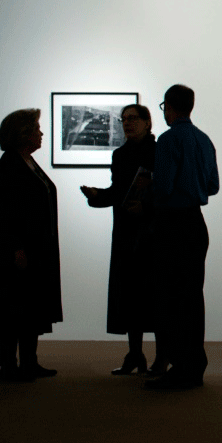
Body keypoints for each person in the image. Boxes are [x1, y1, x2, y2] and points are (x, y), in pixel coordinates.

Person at [80, 104, 165, 376]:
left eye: (133, 119)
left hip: (153, 231)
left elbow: (166, 190)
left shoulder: (159, 151)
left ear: (147, 122)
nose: (127, 123)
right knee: (129, 293)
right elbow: (119, 192)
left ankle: (162, 357)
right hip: (127, 230)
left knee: (155, 294)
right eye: (124, 119)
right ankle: (135, 354)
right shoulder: (120, 155)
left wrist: (148, 207)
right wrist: (97, 196)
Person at [144, 85, 219, 391]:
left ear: (168, 108)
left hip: (171, 223)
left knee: (171, 297)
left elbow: (162, 186)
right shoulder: (203, 140)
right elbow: (213, 186)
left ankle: (180, 366)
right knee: (192, 294)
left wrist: (145, 192)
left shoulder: (168, 139)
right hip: (196, 224)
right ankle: (194, 363)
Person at [0, 109, 63, 382]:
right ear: (23, 134)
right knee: (12, 306)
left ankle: (29, 362)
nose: (41, 134)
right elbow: (6, 211)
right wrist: (16, 248)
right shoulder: (9, 164)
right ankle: (8, 366)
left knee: (31, 305)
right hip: (16, 249)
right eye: (37, 130)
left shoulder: (27, 161)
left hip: (35, 248)